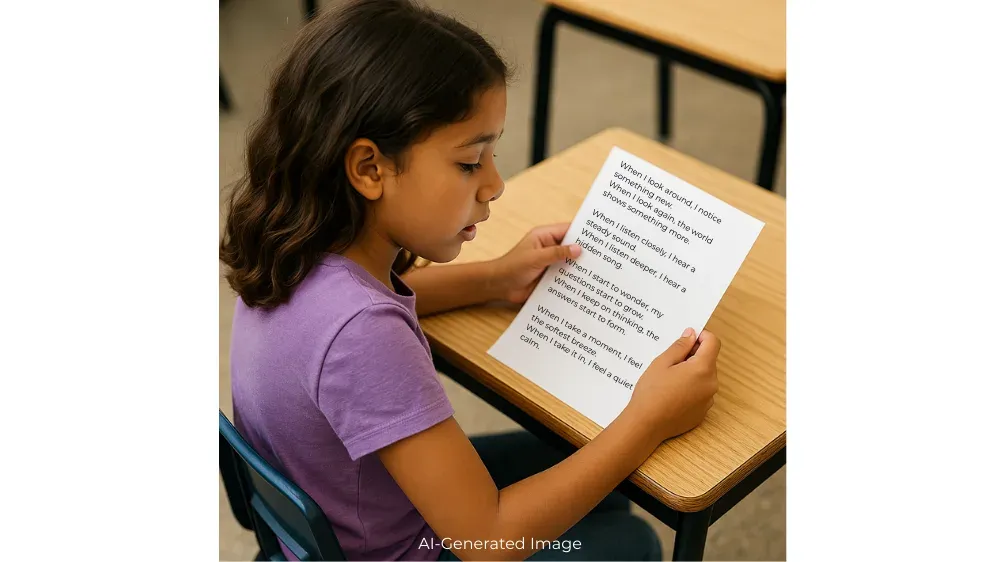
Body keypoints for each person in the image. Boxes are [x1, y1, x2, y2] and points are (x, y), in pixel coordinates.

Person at [220, 0, 720, 560]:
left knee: (597, 482)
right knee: (631, 540)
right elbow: (489, 538)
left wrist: (493, 279)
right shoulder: (363, 337)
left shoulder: (291, 247)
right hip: (410, 546)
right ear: (368, 169)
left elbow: (357, 319)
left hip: (341, 516)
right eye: (468, 162)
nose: (495, 184)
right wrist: (648, 418)